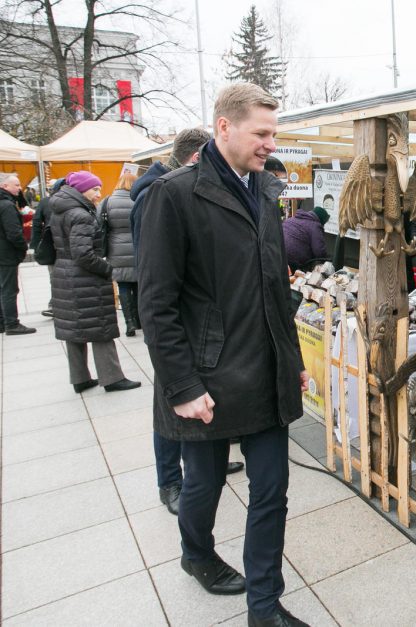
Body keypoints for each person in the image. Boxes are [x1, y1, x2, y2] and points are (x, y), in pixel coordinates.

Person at [138, 83, 309, 627]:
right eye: (261, 133)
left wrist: (294, 357)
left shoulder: (264, 189)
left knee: (272, 489)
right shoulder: (173, 194)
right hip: (206, 375)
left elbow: (274, 284)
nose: (269, 143)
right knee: (204, 486)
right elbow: (156, 303)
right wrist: (183, 388)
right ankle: (196, 554)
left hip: (264, 370)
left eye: (273, 134)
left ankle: (264, 606)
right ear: (223, 128)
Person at [130, 127, 242, 517]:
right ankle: (170, 481)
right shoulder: (159, 194)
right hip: (177, 327)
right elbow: (157, 281)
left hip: (203, 325)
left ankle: (208, 458)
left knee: (201, 409)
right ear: (197, 157)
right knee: (172, 403)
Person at [49, 171, 140, 393]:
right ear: (81, 189)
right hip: (84, 278)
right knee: (101, 326)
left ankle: (79, 378)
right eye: (95, 189)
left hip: (64, 274)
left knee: (73, 329)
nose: (99, 193)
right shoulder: (80, 214)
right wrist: (108, 269)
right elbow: (83, 254)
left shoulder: (60, 209)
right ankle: (112, 378)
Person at [101, 171, 140, 336]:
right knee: (138, 285)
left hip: (116, 249)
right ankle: (140, 320)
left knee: (123, 286)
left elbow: (100, 225)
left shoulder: (107, 202)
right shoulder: (138, 200)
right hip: (137, 247)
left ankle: (129, 322)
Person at [0, 173, 34, 335]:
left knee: (3, 288)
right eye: (16, 185)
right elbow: (14, 233)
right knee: (9, 289)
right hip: (6, 253)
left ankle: (3, 322)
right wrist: (22, 248)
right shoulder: (6, 205)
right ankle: (12, 324)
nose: (20, 188)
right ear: (5, 186)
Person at [31, 178, 65, 317]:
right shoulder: (47, 202)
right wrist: (37, 244)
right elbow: (37, 222)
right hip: (55, 246)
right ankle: (56, 304)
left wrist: (37, 244)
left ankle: (56, 305)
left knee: (55, 276)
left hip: (53, 245)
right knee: (56, 276)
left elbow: (37, 222)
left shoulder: (46, 202)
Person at [281, 205, 327, 271]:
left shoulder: (291, 219)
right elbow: (320, 252)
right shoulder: (315, 226)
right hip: (294, 262)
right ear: (321, 220)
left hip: (278, 254)